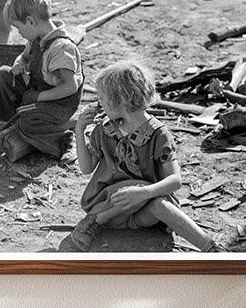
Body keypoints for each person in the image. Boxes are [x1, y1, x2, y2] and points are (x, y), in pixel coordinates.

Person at [59, 60, 224, 253]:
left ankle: (212, 250)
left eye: (102, 97)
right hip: (109, 209)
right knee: (124, 191)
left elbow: (175, 180)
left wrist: (143, 193)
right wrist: (79, 130)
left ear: (119, 99)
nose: (99, 103)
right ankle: (95, 221)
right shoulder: (104, 130)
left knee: (159, 204)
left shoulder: (158, 135)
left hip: (145, 213)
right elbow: (86, 168)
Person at [0, 0, 83, 162]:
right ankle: (9, 124)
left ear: (31, 21)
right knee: (3, 74)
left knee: (28, 124)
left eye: (18, 28)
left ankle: (63, 137)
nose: (19, 33)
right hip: (36, 92)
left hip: (59, 103)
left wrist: (38, 97)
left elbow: (70, 86)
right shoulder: (35, 39)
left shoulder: (61, 48)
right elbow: (23, 57)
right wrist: (19, 63)